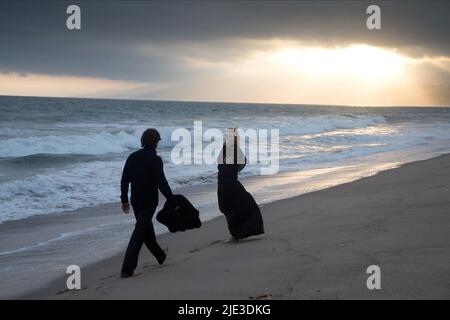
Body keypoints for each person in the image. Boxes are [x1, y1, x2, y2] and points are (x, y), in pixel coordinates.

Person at [120, 128, 178, 278]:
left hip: (136, 200)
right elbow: (162, 183)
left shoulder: (132, 157)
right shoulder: (155, 160)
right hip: (149, 201)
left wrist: (124, 199)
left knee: (145, 228)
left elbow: (125, 179)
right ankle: (127, 268)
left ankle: (160, 256)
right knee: (140, 231)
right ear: (155, 142)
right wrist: (172, 200)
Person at [217, 128, 264, 242]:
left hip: (229, 183)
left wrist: (233, 168)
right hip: (226, 183)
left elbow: (238, 163)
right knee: (231, 208)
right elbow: (224, 165)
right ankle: (237, 234)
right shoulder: (229, 148)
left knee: (232, 208)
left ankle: (236, 235)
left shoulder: (233, 149)